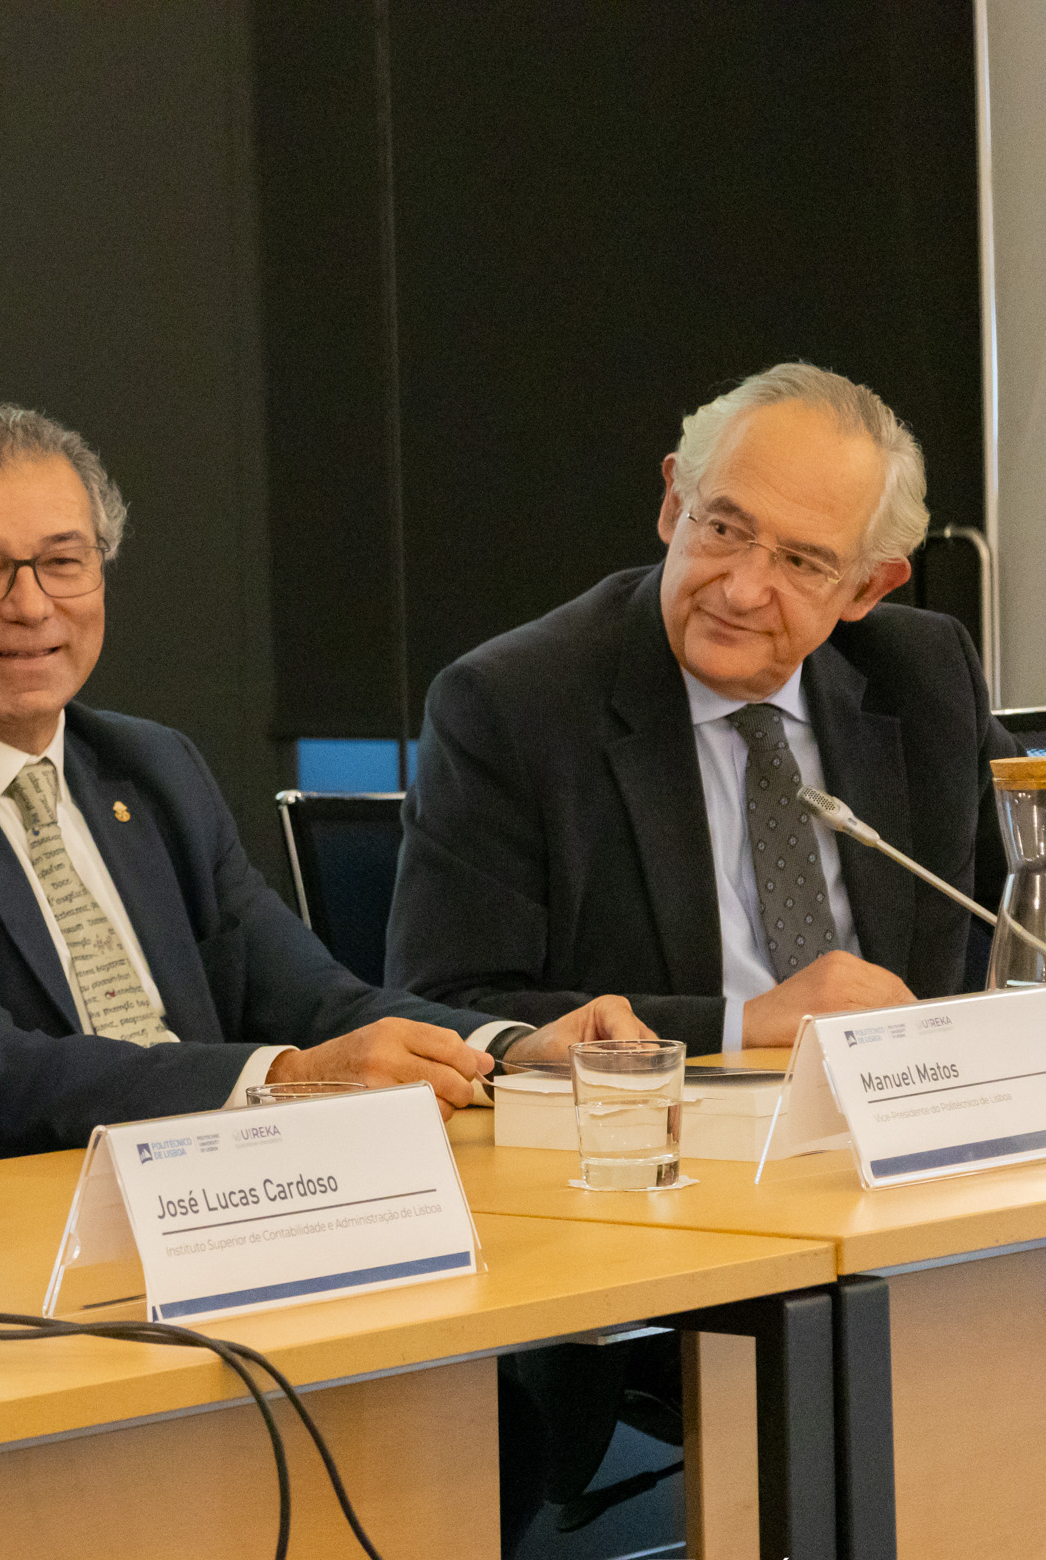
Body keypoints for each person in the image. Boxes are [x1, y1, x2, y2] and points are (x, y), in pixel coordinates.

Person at [0, 402, 641, 1167]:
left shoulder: (150, 766)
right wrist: (283, 1083)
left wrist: (515, 1050)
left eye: (62, 560)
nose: (31, 605)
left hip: (234, 1195)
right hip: (28, 1237)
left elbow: (319, 1001)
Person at [387, 363, 1014, 1054]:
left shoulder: (924, 679)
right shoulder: (510, 705)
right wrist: (739, 1029)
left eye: (801, 563)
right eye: (721, 527)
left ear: (867, 586)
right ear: (670, 504)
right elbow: (444, 1008)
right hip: (654, 1137)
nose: (742, 589)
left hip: (901, 1127)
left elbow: (1030, 895)